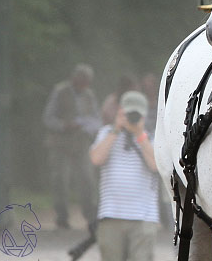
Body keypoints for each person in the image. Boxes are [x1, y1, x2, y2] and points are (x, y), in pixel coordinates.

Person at [89, 91, 160, 261]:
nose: (132, 117)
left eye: (136, 114)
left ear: (144, 114)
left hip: (144, 218)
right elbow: (96, 158)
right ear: (120, 111)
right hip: (111, 215)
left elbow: (156, 166)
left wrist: (139, 134)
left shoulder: (151, 137)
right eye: (129, 113)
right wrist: (116, 129)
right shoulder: (107, 132)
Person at [42, 64, 101, 230]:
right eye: (83, 80)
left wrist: (90, 127)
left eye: (88, 81)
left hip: (81, 143)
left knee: (87, 179)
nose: (85, 85)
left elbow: (96, 118)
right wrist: (64, 125)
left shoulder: (90, 95)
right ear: (75, 78)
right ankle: (62, 217)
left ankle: (91, 216)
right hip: (60, 144)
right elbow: (48, 118)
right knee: (60, 179)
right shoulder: (59, 91)